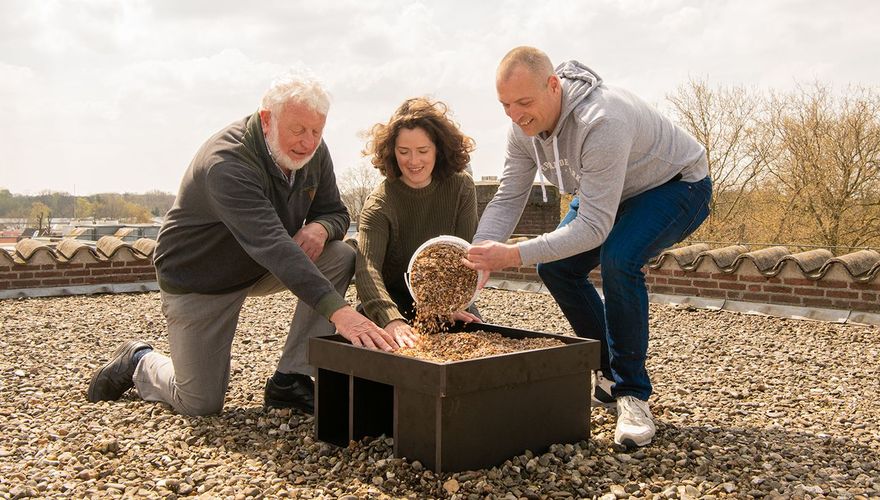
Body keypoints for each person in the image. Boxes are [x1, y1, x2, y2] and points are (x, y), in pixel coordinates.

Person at [86, 69, 403, 416]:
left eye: (317, 130)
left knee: (339, 255)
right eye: (298, 130)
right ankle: (139, 361)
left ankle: (291, 379)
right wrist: (340, 313)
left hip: (259, 266)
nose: (308, 142)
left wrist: (322, 228)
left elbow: (336, 212)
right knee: (199, 404)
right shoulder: (226, 163)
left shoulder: (313, 152)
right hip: (201, 278)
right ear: (267, 120)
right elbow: (274, 246)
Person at [464, 47, 712, 447]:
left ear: (552, 86)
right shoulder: (521, 129)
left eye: (524, 102)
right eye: (505, 105)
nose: (515, 114)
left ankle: (632, 394)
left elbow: (594, 227)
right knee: (557, 268)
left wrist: (513, 255)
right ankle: (607, 374)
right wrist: (477, 257)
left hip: (674, 185)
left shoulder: (602, 120)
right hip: (608, 189)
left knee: (619, 259)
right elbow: (509, 195)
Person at [356, 97, 481, 340]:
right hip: (391, 302)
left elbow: (464, 254)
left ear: (439, 149)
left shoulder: (461, 187)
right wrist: (391, 320)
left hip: (446, 300)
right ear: (392, 152)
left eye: (423, 151)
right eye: (404, 152)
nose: (413, 161)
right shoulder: (379, 203)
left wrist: (451, 305)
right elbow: (367, 269)